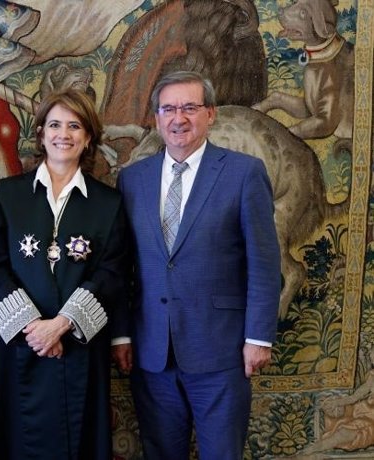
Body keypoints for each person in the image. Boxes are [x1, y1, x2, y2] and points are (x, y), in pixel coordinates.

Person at [113, 70, 281, 459]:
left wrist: (259, 337)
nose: (179, 118)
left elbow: (264, 261)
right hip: (152, 354)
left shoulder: (244, 173)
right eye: (169, 108)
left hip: (221, 352)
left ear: (211, 114)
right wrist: (121, 335)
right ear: (156, 118)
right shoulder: (133, 179)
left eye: (190, 107)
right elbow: (121, 268)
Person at [0, 89, 130, 459]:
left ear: (88, 137)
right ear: (41, 133)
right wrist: (35, 329)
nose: (64, 134)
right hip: (19, 345)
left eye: (75, 126)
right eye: (55, 124)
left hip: (77, 346)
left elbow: (112, 273)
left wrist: (61, 325)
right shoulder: (6, 196)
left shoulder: (109, 204)